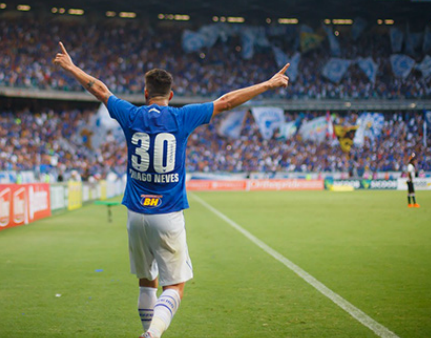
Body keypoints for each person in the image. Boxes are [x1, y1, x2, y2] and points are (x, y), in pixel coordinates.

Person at [53, 42, 290, 338]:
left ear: (145, 93)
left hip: (135, 215)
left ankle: (148, 332)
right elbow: (227, 101)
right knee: (175, 286)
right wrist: (268, 83)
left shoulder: (130, 115)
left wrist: (71, 67)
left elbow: (100, 89)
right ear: (171, 95)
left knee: (145, 281)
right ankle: (152, 334)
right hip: (167, 213)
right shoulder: (182, 117)